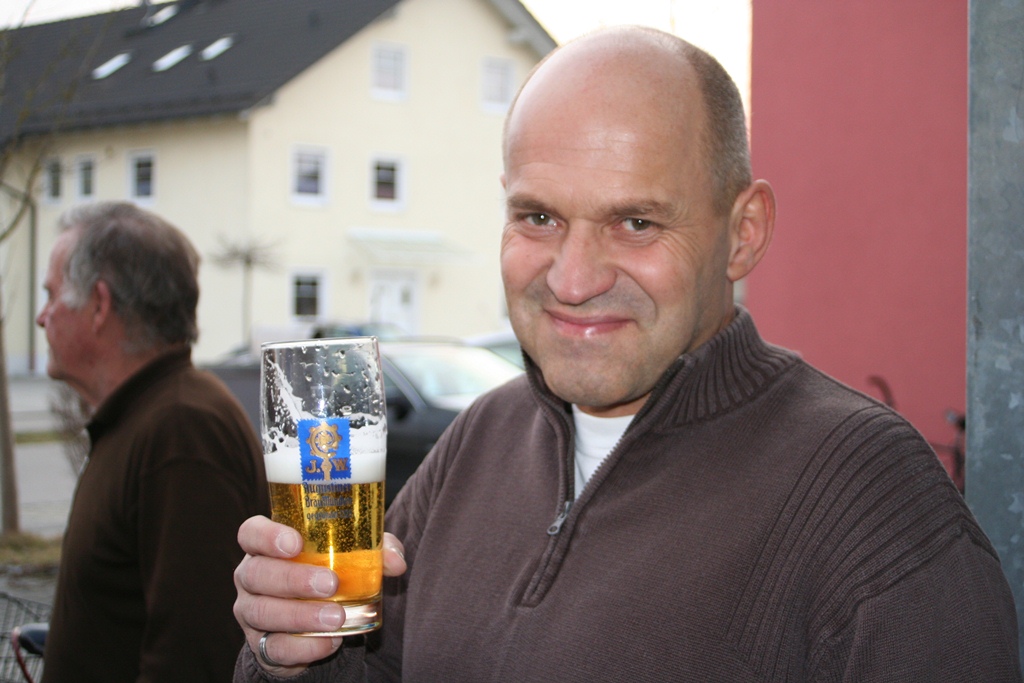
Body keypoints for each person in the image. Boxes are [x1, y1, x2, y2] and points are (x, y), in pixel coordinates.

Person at [232, 27, 1022, 682]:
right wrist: (290, 655)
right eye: (538, 217)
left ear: (743, 232)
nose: (572, 279)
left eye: (636, 223)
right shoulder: (479, 439)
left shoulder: (870, 499)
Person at [35, 201, 270, 682]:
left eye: (52, 295)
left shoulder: (182, 431)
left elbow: (196, 657)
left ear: (99, 305)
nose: (41, 317)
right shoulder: (151, 415)